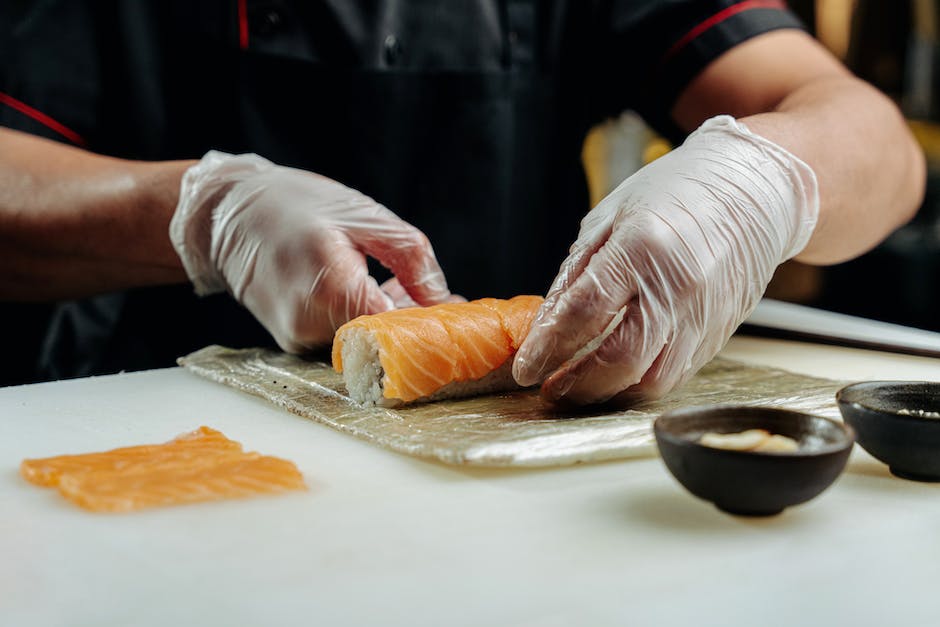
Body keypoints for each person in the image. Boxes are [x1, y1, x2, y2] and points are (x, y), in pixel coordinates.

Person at [0, 1, 924, 405]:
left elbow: (878, 144)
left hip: (522, 436)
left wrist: (757, 180)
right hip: (164, 428)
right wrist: (201, 211)